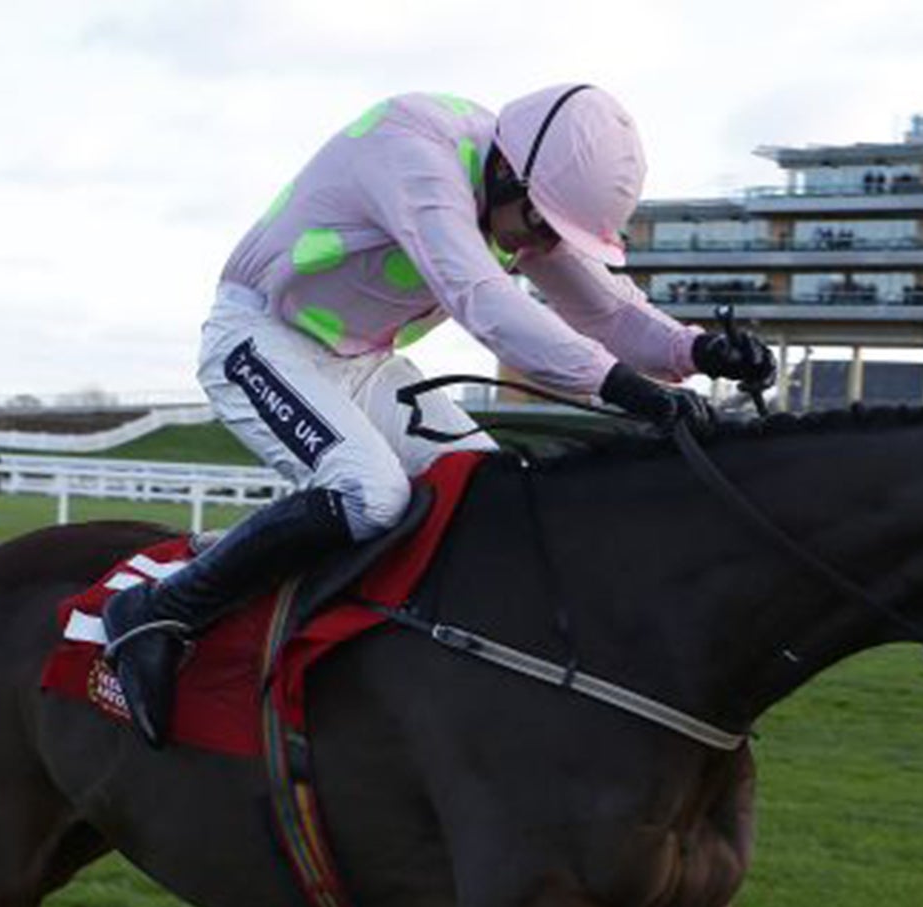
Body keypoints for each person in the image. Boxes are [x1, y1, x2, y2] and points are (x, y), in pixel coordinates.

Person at [101, 86, 777, 748]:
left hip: (360, 360)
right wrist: (626, 390)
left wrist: (697, 350)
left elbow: (608, 309)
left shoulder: (522, 184)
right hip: (259, 337)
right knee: (368, 496)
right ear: (509, 172)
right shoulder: (415, 148)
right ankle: (159, 611)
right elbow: (482, 300)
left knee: (495, 496)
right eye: (541, 223)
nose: (543, 243)